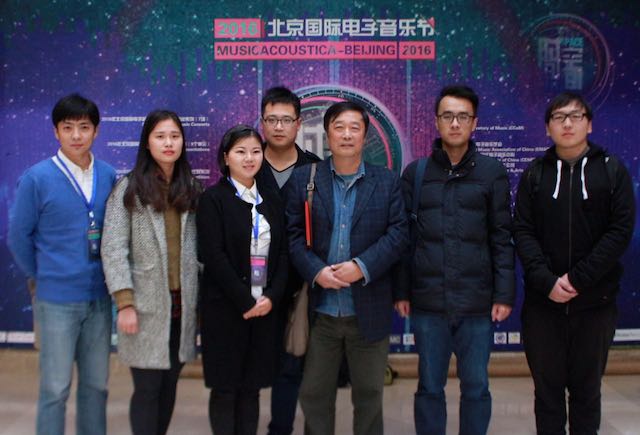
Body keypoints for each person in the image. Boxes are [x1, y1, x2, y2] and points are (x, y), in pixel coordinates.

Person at [514, 92, 635, 434]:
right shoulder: (535, 174)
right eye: (559, 117)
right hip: (543, 306)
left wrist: (578, 280)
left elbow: (619, 231)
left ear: (589, 124)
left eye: (576, 116)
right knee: (547, 396)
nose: (567, 123)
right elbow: (522, 230)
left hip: (595, 305)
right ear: (547, 128)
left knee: (587, 393)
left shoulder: (611, 171)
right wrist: (547, 281)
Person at [396, 85, 515, 435]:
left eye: (463, 116)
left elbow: (501, 237)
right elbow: (404, 240)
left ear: (474, 123)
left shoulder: (492, 172)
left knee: (476, 386)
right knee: (429, 386)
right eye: (447, 116)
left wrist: (504, 294)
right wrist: (402, 291)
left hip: (476, 302)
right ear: (436, 121)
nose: (455, 123)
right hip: (428, 302)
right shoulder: (416, 174)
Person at [285, 101, 409, 435]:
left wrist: (361, 266)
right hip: (320, 313)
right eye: (339, 127)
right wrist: (317, 271)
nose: (347, 134)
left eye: (355, 128)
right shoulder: (305, 179)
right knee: (314, 394)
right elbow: (293, 237)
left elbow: (398, 234)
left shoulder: (387, 181)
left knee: (369, 395)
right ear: (327, 135)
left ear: (365, 136)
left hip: (367, 309)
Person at [7, 93, 116, 435]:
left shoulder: (109, 175)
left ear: (96, 130)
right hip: (55, 301)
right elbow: (18, 237)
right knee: (55, 389)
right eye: (67, 128)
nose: (76, 135)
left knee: (96, 387)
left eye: (84, 127)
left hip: (99, 299)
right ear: (56, 132)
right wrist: (43, 276)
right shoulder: (37, 178)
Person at [101, 110, 202, 435]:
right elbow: (113, 248)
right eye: (160, 136)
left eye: (174, 136)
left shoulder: (192, 188)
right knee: (147, 389)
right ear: (147, 142)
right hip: (144, 307)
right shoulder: (129, 189)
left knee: (169, 386)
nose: (168, 143)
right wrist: (125, 303)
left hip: (181, 307)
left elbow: (202, 252)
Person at [197, 125, 288, 435]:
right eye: (240, 152)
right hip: (226, 309)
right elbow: (214, 256)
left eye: (255, 151)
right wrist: (245, 300)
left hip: (264, 309)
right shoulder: (213, 199)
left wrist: (271, 297)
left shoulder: (271, 199)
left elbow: (283, 254)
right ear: (226, 157)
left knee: (252, 388)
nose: (249, 158)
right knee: (225, 388)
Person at [256, 86, 321, 435]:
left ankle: (282, 427)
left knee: (296, 363)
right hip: (254, 286)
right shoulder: (248, 163)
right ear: (262, 122)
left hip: (300, 285)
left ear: (298, 124)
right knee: (253, 365)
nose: (278, 127)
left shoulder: (315, 170)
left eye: (286, 120)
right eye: (271, 120)